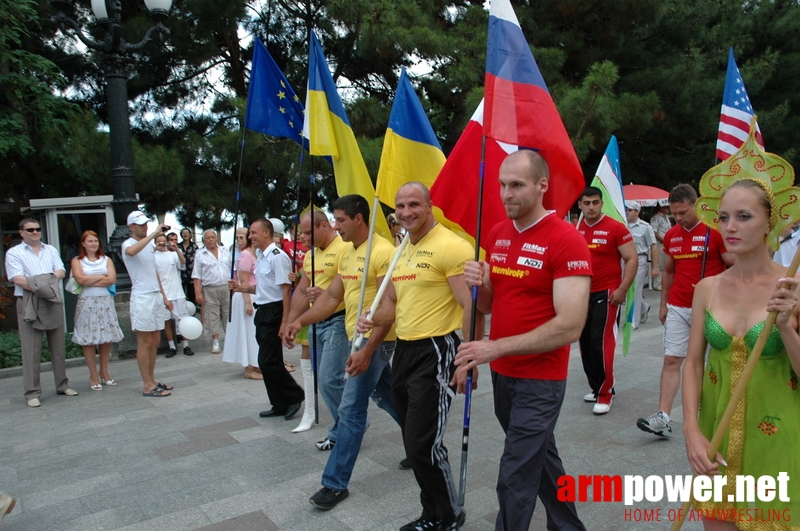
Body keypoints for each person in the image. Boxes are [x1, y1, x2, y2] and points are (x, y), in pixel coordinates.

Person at [454, 151, 590, 531]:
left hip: (542, 378)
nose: (506, 193)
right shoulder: (497, 234)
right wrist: (481, 286)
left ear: (542, 185)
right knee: (541, 458)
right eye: (502, 184)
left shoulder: (566, 240)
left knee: (515, 471)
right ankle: (568, 526)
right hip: (503, 373)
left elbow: (570, 326)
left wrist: (495, 346)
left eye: (517, 184)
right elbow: (497, 303)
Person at [682, 160, 800, 526]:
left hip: (777, 442)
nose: (730, 227)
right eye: (724, 217)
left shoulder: (792, 288)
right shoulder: (708, 288)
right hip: (715, 443)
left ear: (771, 222)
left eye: (744, 217)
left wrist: (786, 327)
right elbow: (692, 363)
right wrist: (690, 430)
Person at [357, 182, 477, 531]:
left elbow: (469, 304)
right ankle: (432, 513)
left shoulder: (452, 247)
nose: (406, 212)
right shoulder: (402, 248)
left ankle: (450, 514)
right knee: (414, 443)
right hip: (405, 351)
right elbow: (392, 305)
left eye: (414, 205)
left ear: (430, 205)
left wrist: (468, 357)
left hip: (437, 350)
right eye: (400, 206)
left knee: (425, 443)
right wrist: (371, 315)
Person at [283, 194, 403, 510]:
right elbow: (331, 298)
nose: (337, 227)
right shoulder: (348, 254)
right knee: (388, 394)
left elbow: (389, 306)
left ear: (359, 219)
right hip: (355, 337)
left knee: (351, 407)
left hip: (375, 338)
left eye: (341, 221)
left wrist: (366, 351)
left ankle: (335, 483)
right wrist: (299, 321)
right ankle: (424, 444)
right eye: (335, 220)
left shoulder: (383, 252)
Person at [636, 185, 732, 437]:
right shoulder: (671, 235)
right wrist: (664, 304)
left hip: (713, 307)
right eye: (674, 214)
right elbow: (669, 271)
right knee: (671, 359)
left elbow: (733, 265)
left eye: (683, 212)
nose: (678, 218)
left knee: (713, 362)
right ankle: (663, 416)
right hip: (679, 305)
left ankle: (716, 414)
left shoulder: (715, 232)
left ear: (696, 205)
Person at [285, 209, 350, 451]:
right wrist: (290, 322)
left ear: (324, 226)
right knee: (325, 381)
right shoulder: (311, 256)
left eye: (308, 231)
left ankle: (347, 426)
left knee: (328, 380)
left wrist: (325, 295)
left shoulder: (345, 248)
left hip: (338, 320)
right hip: (315, 324)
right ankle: (348, 423)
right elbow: (302, 291)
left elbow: (349, 288)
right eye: (301, 232)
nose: (304, 237)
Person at [228, 218, 303, 419]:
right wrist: (240, 288)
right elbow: (262, 287)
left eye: (253, 232)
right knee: (272, 361)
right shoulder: (261, 256)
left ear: (266, 233)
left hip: (275, 311)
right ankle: (279, 403)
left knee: (266, 361)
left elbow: (286, 291)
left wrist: (284, 322)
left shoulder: (278, 257)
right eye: (250, 233)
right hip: (262, 310)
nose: (250, 236)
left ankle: (294, 394)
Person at [576, 188, 637, 414]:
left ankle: (605, 393)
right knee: (585, 343)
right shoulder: (576, 228)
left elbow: (631, 259)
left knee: (601, 343)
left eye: (595, 202)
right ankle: (596, 386)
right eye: (587, 203)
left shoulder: (615, 228)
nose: (591, 207)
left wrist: (622, 288)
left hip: (607, 293)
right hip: (582, 295)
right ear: (580, 205)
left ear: (602, 203)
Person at [5, 218, 77, 407]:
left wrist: (42, 281)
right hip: (29, 301)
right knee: (31, 351)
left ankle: (62, 385)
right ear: (22, 232)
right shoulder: (14, 253)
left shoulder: (51, 250)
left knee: (58, 347)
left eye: (37, 229)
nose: (35, 232)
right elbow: (18, 279)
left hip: (52, 300)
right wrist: (46, 284)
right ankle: (32, 392)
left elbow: (60, 271)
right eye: (30, 230)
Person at [121, 211, 174, 397]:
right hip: (142, 297)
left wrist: (164, 296)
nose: (145, 227)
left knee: (155, 339)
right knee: (144, 341)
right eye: (141, 224)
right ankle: (147, 384)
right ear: (132, 227)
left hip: (154, 296)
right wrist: (154, 234)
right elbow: (131, 252)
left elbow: (154, 272)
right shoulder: (128, 243)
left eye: (146, 224)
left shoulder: (149, 245)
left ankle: (152, 379)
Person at [70, 230, 123, 390]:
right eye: (90, 241)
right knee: (89, 338)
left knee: (106, 338)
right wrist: (101, 276)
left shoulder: (106, 260)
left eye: (95, 241)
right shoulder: (77, 260)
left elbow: (112, 279)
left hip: (105, 301)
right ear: (83, 244)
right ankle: (93, 374)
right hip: (87, 302)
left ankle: (104, 371)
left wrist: (90, 279)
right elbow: (80, 280)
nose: (93, 244)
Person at [222, 227, 261, 379]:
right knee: (249, 333)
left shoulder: (254, 254)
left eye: (241, 237)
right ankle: (249, 368)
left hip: (253, 294)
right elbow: (242, 280)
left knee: (254, 332)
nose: (238, 240)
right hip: (247, 296)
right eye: (237, 237)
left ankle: (255, 364)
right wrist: (247, 303)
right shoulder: (245, 255)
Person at [154, 233, 193, 357]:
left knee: (183, 319)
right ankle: (172, 346)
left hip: (178, 292)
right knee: (167, 321)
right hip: (164, 293)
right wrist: (156, 248)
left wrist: (176, 249)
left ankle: (186, 345)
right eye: (159, 241)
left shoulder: (173, 254)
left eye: (163, 241)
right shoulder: (154, 256)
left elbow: (183, 262)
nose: (161, 243)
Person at [192, 229, 231, 354]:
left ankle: (230, 340)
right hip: (209, 288)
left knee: (228, 314)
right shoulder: (200, 254)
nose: (211, 239)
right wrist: (198, 293)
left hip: (226, 286)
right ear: (204, 240)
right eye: (208, 237)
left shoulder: (225, 251)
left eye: (213, 237)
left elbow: (232, 268)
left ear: (216, 238)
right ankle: (215, 342)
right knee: (212, 315)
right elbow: (196, 274)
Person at [625, 201, 660, 328]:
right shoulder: (623, 225)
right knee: (628, 288)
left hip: (640, 259)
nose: (627, 212)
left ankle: (634, 321)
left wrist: (655, 266)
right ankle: (643, 307)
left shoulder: (645, 227)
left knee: (636, 289)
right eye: (626, 210)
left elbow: (654, 246)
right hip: (625, 260)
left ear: (637, 212)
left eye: (630, 210)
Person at [649, 203, 672, 290]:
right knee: (659, 264)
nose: (668, 208)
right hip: (660, 243)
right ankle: (657, 283)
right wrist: (662, 239)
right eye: (666, 207)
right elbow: (653, 231)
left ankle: (662, 282)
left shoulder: (666, 218)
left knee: (665, 263)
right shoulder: (656, 218)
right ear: (661, 208)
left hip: (666, 243)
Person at [179, 228, 199, 304]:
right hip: (181, 274)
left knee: (192, 296)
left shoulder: (194, 246)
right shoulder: (178, 246)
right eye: (183, 233)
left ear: (190, 235)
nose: (185, 235)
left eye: (187, 233)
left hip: (192, 274)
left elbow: (198, 259)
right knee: (182, 295)